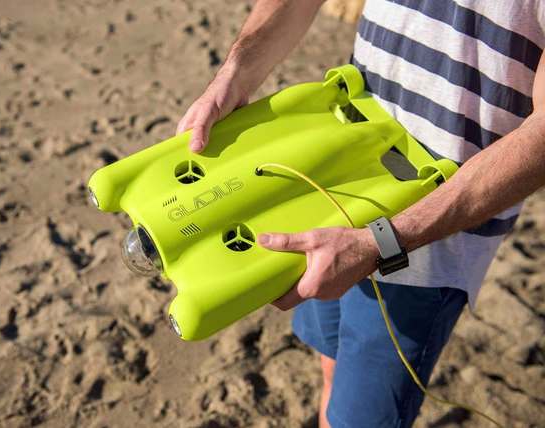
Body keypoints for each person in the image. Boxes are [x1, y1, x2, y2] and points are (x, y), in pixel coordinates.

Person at [176, 1, 545, 427]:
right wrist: (234, 73)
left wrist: (383, 241)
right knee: (332, 365)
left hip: (430, 234)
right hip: (332, 177)